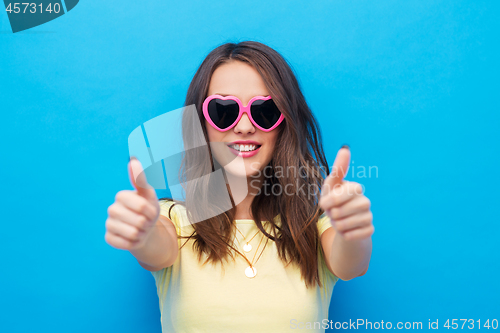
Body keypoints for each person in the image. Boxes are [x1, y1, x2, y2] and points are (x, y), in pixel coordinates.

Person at [105, 41, 374, 332]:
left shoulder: (311, 227)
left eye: (265, 111)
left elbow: (351, 264)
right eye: (223, 111)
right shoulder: (175, 222)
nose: (245, 126)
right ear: (201, 125)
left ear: (284, 123)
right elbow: (156, 247)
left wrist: (353, 231)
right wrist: (142, 232)